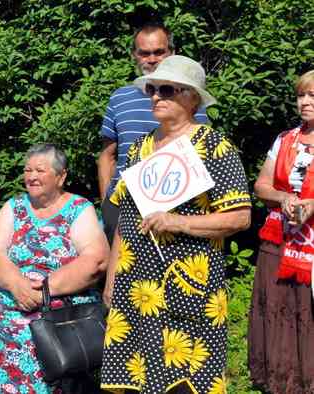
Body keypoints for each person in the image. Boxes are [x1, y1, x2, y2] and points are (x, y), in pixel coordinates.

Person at [100, 56, 251, 393]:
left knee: (185, 381)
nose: (155, 97)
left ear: (191, 97)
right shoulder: (139, 148)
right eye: (152, 89)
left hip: (186, 286)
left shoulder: (214, 147)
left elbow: (240, 217)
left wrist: (178, 221)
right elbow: (126, 218)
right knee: (136, 381)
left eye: (166, 90)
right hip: (135, 287)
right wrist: (111, 277)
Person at [0, 144, 109, 393]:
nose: (31, 176)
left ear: (61, 176)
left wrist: (44, 291)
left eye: (40, 170)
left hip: (60, 301)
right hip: (10, 296)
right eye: (28, 170)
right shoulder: (14, 206)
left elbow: (96, 259)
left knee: (30, 342)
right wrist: (17, 285)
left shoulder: (78, 208)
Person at [96, 22, 209, 241]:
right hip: (121, 204)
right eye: (144, 53)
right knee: (120, 272)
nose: (152, 59)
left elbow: (200, 150)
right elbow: (107, 156)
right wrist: (107, 205)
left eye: (159, 52)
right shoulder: (119, 98)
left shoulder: (187, 98)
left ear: (172, 53)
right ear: (134, 56)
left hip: (172, 205)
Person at [249, 70, 314, 393]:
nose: (305, 102)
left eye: (313, 96)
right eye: (302, 95)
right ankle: (282, 380)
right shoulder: (285, 139)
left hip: (311, 246)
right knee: (280, 308)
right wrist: (284, 196)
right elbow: (261, 184)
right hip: (280, 236)